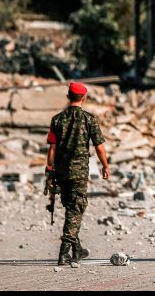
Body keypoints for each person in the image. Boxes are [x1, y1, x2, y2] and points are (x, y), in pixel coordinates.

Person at [46, 82, 110, 266]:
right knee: (76, 209)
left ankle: (78, 250)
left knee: (71, 209)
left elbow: (52, 148)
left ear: (68, 96)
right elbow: (99, 146)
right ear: (84, 98)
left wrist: (49, 168)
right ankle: (64, 252)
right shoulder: (89, 119)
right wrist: (105, 165)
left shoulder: (57, 119)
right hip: (79, 172)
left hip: (61, 171)